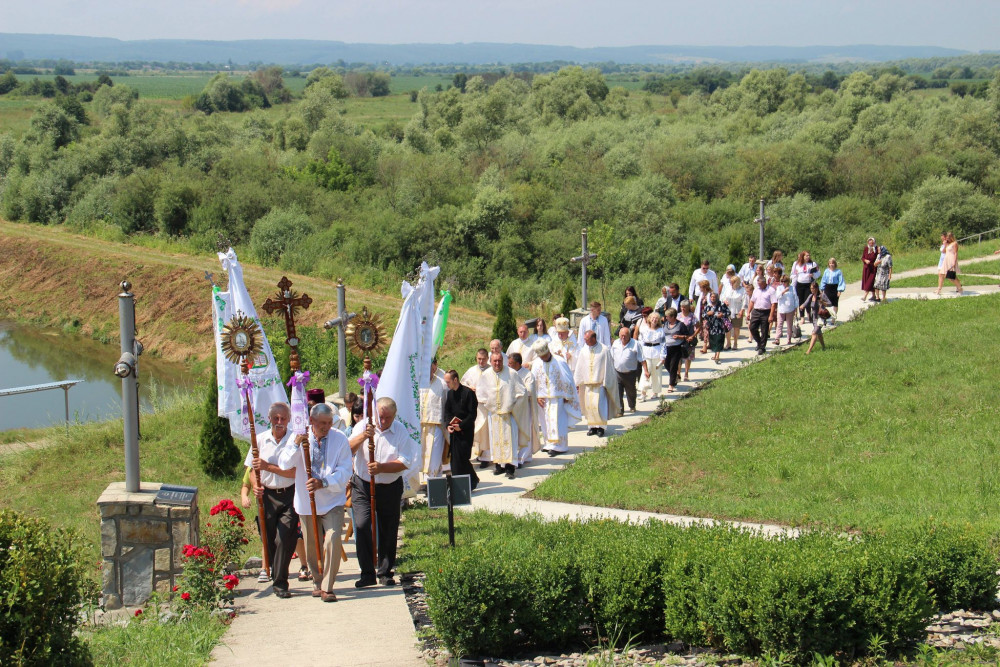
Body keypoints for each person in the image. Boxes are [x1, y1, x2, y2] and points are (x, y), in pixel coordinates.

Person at [278, 403, 353, 602]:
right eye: (322, 423)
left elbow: (346, 470)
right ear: (311, 421)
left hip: (332, 500)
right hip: (306, 500)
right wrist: (295, 444)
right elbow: (285, 464)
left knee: (333, 538)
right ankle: (318, 581)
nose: (326, 427)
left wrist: (325, 482)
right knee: (312, 544)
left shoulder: (340, 439)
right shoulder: (300, 438)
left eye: (329, 423)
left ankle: (328, 586)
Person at [348, 397, 418, 588]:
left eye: (388, 418)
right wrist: (363, 436)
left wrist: (382, 467)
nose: (383, 421)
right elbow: (347, 450)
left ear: (394, 416)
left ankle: (385, 571)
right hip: (362, 484)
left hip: (389, 486)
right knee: (362, 526)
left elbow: (405, 461)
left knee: (388, 528)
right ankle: (367, 573)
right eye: (380, 417)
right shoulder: (363, 425)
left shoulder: (400, 431)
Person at [246, 402, 299, 598]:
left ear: (289, 419)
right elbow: (252, 470)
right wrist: (255, 485)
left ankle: (280, 582)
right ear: (269, 419)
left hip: (289, 494)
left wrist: (269, 467)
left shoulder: (295, 440)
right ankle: (273, 571)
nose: (279, 422)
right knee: (268, 539)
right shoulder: (259, 440)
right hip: (267, 496)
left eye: (283, 418)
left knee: (285, 538)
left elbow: (296, 472)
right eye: (276, 418)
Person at [475, 351, 526, 479]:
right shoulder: (486, 375)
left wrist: (513, 406)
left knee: (510, 442)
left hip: (508, 415)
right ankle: (498, 466)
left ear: (502, 361)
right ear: (490, 362)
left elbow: (522, 392)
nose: (497, 363)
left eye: (499, 361)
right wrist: (488, 404)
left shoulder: (512, 374)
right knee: (495, 441)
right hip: (494, 415)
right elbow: (480, 393)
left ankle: (510, 468)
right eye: (494, 361)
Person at [531, 339, 581, 455]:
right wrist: (537, 396)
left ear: (548, 351)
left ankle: (560, 446)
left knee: (557, 421)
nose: (543, 358)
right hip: (543, 398)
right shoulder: (537, 363)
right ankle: (549, 443)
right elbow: (534, 380)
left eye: (544, 355)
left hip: (558, 397)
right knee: (545, 421)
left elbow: (568, 379)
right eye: (541, 356)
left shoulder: (559, 361)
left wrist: (567, 395)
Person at [574, 330, 619, 437]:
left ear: (593, 338)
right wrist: (577, 382)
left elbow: (608, 367)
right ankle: (592, 427)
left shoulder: (604, 350)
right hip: (588, 384)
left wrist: (606, 382)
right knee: (589, 406)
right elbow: (580, 366)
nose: (585, 341)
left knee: (599, 406)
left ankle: (601, 427)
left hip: (599, 384)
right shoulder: (584, 351)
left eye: (587, 339)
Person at [442, 370, 479, 490]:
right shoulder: (451, 394)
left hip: (465, 431)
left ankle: (472, 480)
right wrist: (449, 424)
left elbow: (472, 414)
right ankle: (461, 483)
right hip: (454, 431)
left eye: (448, 382)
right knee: (455, 459)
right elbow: (447, 411)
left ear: (455, 380)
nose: (447, 384)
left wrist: (461, 425)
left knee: (463, 457)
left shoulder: (468, 393)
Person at [419, 359, 449, 483]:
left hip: (436, 425)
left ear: (434, 369)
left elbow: (447, 403)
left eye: (431, 369)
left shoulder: (442, 384)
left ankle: (434, 482)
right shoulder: (419, 383)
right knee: (422, 456)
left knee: (434, 456)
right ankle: (427, 481)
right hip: (421, 425)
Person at [509, 352, 540, 467]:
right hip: (513, 408)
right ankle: (515, 456)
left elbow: (530, 391)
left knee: (525, 432)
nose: (509, 365)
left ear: (518, 363)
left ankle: (523, 457)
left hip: (525, 409)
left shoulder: (528, 375)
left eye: (511, 363)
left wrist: (516, 392)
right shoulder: (509, 373)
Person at [611, 325, 642, 413]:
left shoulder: (636, 344)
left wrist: (646, 371)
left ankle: (632, 406)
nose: (623, 337)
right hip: (618, 373)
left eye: (625, 335)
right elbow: (611, 357)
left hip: (630, 373)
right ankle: (620, 410)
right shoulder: (616, 343)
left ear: (629, 335)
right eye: (621, 335)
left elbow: (641, 358)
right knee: (618, 392)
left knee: (631, 391)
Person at [638, 311, 665, 399]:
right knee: (645, 372)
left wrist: (663, 356)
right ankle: (643, 392)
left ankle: (655, 392)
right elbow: (640, 342)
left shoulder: (661, 330)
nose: (654, 320)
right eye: (653, 318)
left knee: (656, 373)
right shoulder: (644, 329)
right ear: (649, 319)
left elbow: (663, 343)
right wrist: (640, 354)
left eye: (656, 318)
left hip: (657, 352)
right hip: (646, 352)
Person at [661, 308, 690, 392]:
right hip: (666, 347)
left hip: (676, 348)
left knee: (673, 366)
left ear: (673, 316)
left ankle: (671, 385)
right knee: (666, 364)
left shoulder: (680, 325)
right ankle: (675, 377)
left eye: (668, 317)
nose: (666, 318)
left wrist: (679, 336)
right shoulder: (666, 324)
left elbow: (687, 336)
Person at [747, 276, 777, 355]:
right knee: (752, 328)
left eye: (760, 284)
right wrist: (748, 312)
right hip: (756, 311)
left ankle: (762, 348)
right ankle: (759, 342)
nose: (759, 285)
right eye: (758, 284)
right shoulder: (756, 290)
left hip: (766, 311)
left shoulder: (771, 290)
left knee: (764, 331)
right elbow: (752, 301)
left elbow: (774, 304)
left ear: (764, 283)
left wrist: (771, 315)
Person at [801, 282, 833, 355]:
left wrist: (823, 302)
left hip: (821, 317)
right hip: (814, 318)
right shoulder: (811, 296)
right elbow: (806, 303)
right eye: (811, 288)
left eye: (813, 288)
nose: (812, 290)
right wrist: (802, 306)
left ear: (817, 288)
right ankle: (824, 347)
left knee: (814, 332)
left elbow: (830, 303)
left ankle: (809, 350)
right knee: (819, 333)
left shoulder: (822, 295)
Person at [703, 291, 731, 364]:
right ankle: (715, 354)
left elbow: (728, 312)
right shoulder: (708, 306)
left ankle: (718, 355)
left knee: (719, 340)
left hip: (720, 326)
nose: (713, 298)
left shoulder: (722, 305)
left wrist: (722, 314)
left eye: (714, 297)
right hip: (711, 326)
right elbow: (703, 315)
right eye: (711, 297)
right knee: (713, 341)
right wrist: (708, 314)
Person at [790, 251, 819, 317]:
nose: (808, 257)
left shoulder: (812, 264)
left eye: (809, 255)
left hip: (808, 284)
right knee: (801, 300)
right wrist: (793, 283)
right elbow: (793, 274)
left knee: (808, 299)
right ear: (802, 256)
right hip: (800, 284)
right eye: (806, 256)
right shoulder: (797, 264)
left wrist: (813, 275)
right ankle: (802, 316)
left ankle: (809, 313)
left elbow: (818, 273)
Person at [722, 275, 746, 350]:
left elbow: (744, 301)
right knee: (727, 328)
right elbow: (723, 296)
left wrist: (742, 310)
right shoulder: (728, 289)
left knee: (736, 328)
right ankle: (728, 343)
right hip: (728, 310)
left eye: (732, 283)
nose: (731, 284)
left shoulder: (742, 290)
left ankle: (735, 343)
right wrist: (724, 301)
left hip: (737, 310)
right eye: (730, 282)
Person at [774, 275, 798, 346]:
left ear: (788, 281)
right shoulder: (779, 288)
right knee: (779, 324)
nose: (783, 283)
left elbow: (795, 298)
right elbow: (777, 296)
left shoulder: (792, 288)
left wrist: (796, 308)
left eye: (785, 281)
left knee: (789, 325)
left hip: (790, 309)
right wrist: (784, 291)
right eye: (782, 281)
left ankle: (789, 339)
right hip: (781, 308)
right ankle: (777, 339)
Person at [677, 301, 698, 382]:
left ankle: (686, 373)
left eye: (684, 307)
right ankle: (678, 373)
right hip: (680, 339)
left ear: (688, 307)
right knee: (678, 358)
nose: (683, 309)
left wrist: (693, 336)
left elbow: (698, 326)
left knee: (687, 357)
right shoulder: (678, 315)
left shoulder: (692, 316)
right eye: (681, 307)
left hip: (689, 340)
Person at [695, 279, 713, 354]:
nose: (699, 289)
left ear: (704, 287)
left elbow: (712, 305)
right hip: (701, 315)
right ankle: (710, 344)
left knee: (706, 329)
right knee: (703, 329)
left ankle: (705, 346)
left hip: (708, 316)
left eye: (700, 287)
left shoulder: (710, 295)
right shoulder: (702, 295)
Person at [861, 237, 878, 302]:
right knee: (869, 282)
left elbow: (878, 257)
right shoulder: (866, 248)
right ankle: (873, 295)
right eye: (870, 243)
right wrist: (865, 260)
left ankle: (865, 296)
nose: (871, 244)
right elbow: (862, 257)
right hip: (866, 268)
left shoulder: (876, 249)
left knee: (870, 281)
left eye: (872, 243)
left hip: (873, 268)